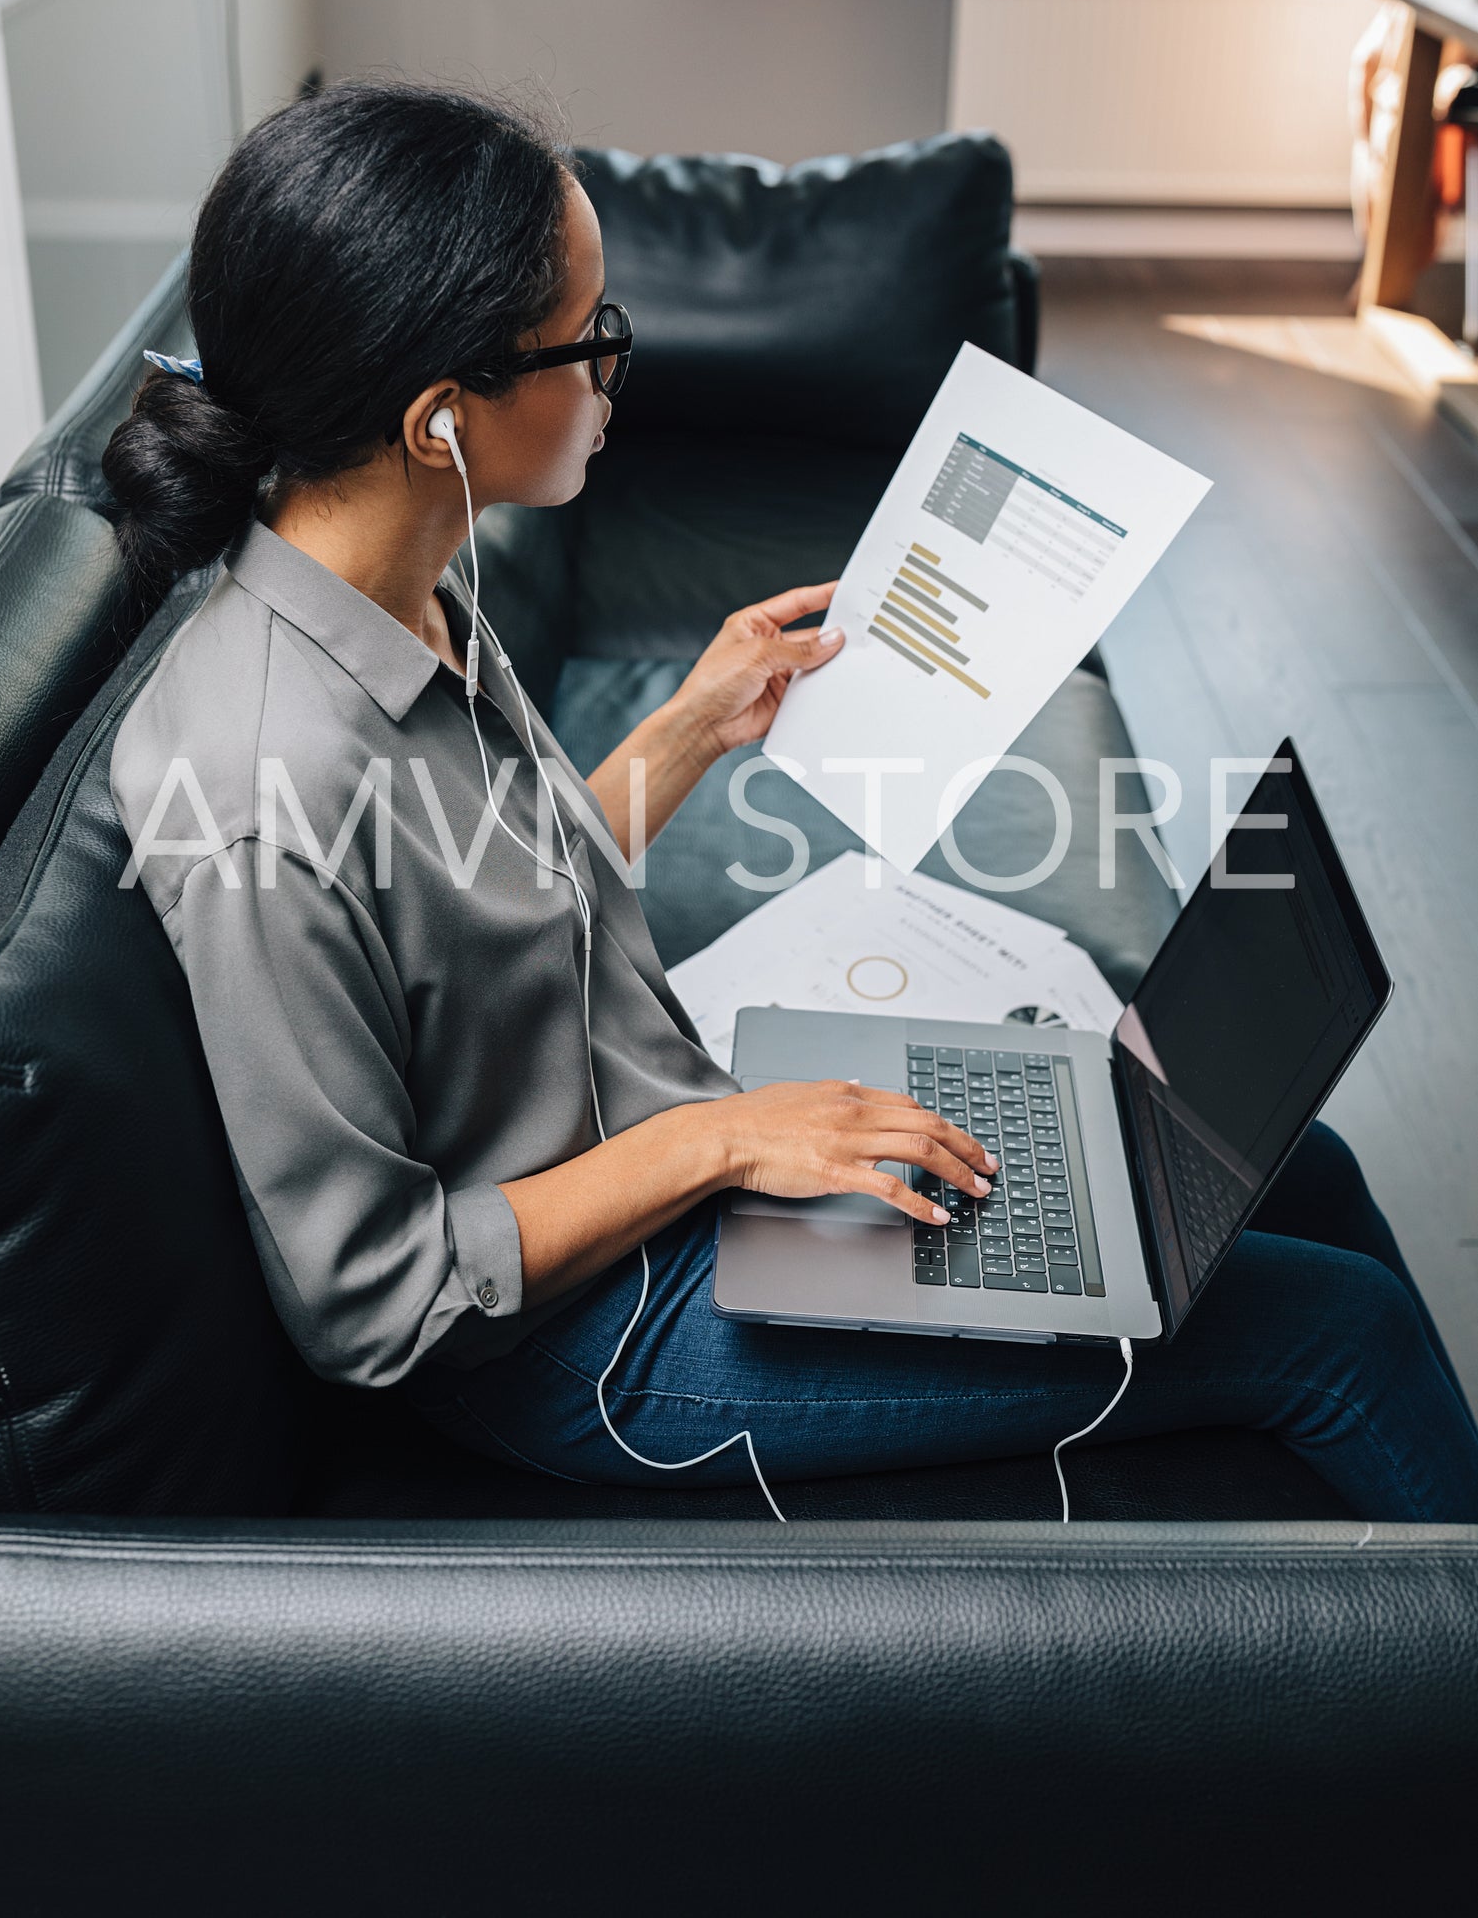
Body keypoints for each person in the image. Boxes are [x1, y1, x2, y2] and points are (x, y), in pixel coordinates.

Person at [105, 82, 1478, 1524]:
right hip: (589, 1346)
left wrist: (696, 725)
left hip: (667, 1158)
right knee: (1338, 1337)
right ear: (442, 420)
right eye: (592, 338)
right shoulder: (260, 793)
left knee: (1287, 1170)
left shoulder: (397, 584)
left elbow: (493, 892)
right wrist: (725, 1138)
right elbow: (372, 1302)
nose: (620, 369)